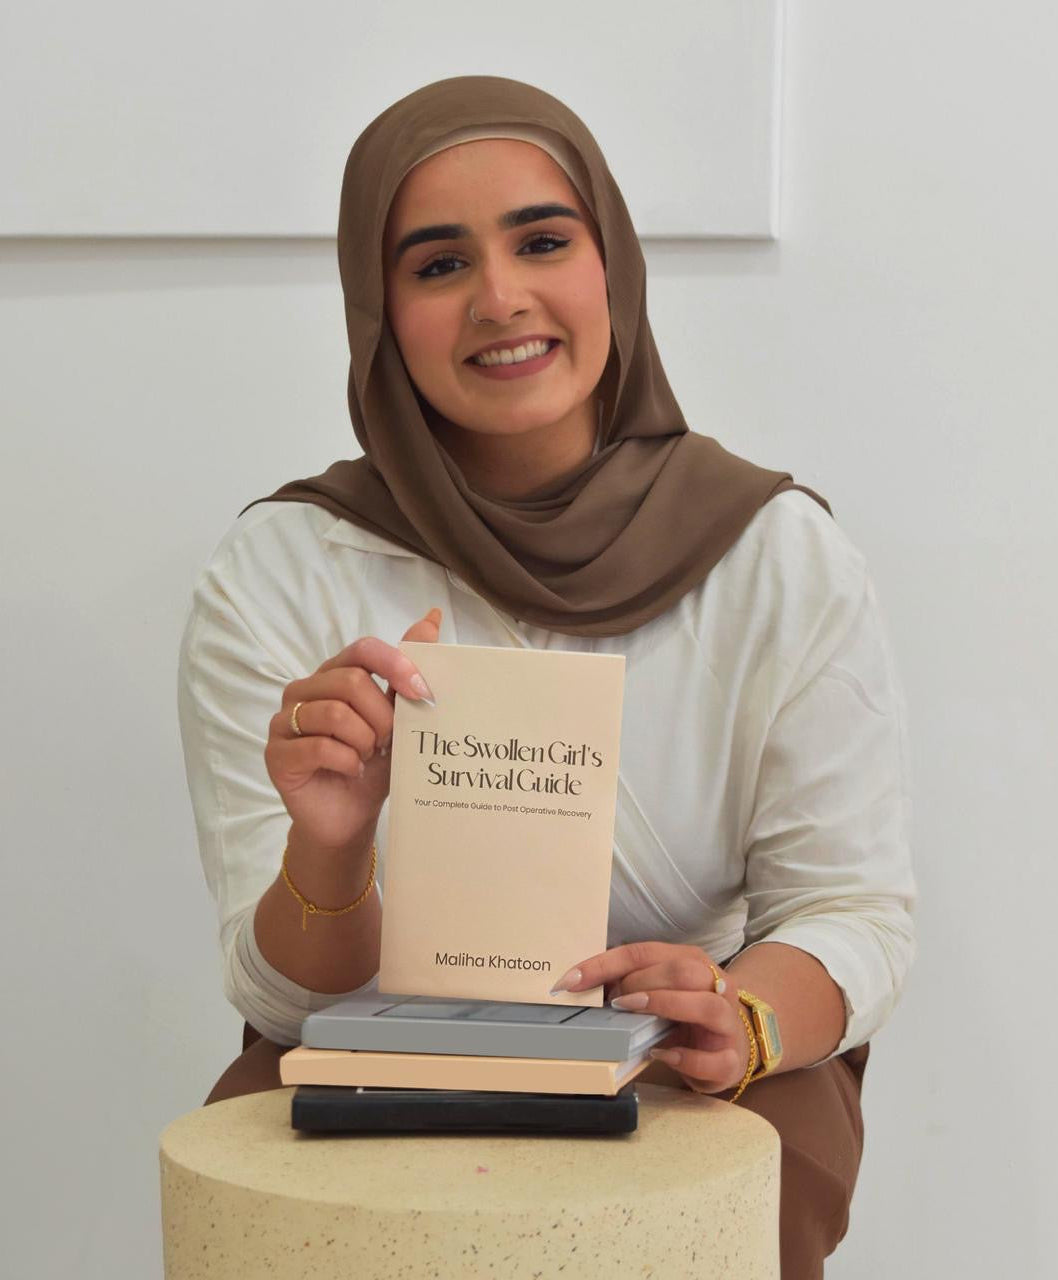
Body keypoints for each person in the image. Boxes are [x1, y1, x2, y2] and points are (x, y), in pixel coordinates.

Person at [176, 75, 916, 1277]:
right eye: (436, 264)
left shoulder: (773, 555)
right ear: (377, 310)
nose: (499, 298)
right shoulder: (284, 569)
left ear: (609, 260)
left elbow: (852, 907)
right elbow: (278, 998)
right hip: (383, 1071)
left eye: (541, 240)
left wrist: (738, 1015)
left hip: (687, 1073)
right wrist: (330, 848)